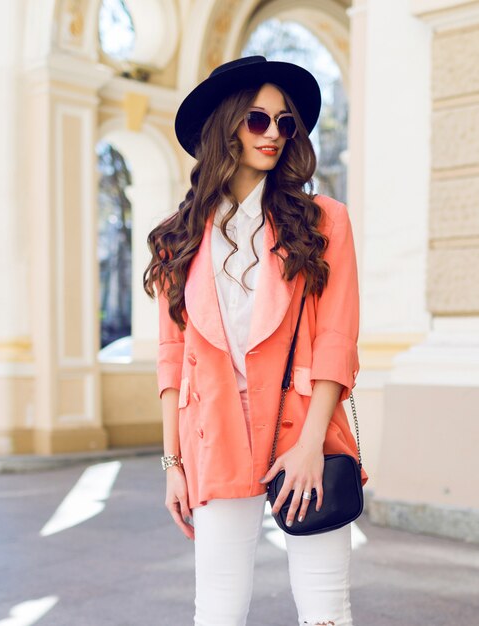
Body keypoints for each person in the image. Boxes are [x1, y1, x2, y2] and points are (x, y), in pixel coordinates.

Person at [144, 55, 369, 626]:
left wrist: (312, 444)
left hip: (303, 429)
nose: (274, 134)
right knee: (217, 611)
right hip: (214, 433)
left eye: (285, 122)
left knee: (325, 611)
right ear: (225, 128)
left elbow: (337, 341)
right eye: (257, 120)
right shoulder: (181, 238)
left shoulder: (324, 222)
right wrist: (172, 461)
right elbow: (173, 361)